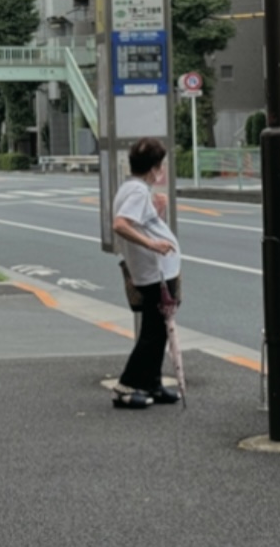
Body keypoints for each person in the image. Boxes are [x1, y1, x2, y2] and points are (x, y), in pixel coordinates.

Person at [111, 137, 181, 409]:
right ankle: (125, 386)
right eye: (160, 165)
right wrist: (153, 244)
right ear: (154, 168)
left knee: (159, 331)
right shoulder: (138, 191)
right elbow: (121, 224)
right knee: (153, 332)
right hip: (155, 274)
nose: (161, 170)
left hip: (157, 272)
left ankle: (152, 382)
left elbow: (141, 225)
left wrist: (158, 213)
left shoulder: (131, 188)